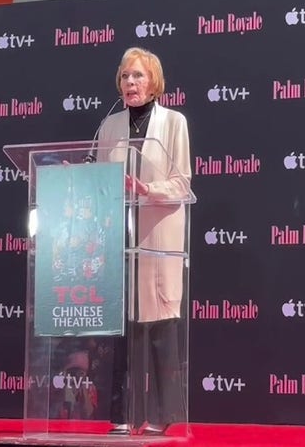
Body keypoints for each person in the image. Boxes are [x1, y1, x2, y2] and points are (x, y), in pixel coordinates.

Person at [95, 47, 193, 436]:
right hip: (120, 241)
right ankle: (123, 414)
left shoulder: (173, 123)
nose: (130, 83)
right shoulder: (109, 125)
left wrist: (146, 188)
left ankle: (163, 414)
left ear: (154, 82)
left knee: (159, 332)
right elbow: (101, 177)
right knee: (123, 333)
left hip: (157, 239)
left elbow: (182, 183)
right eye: (124, 77)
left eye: (137, 76)